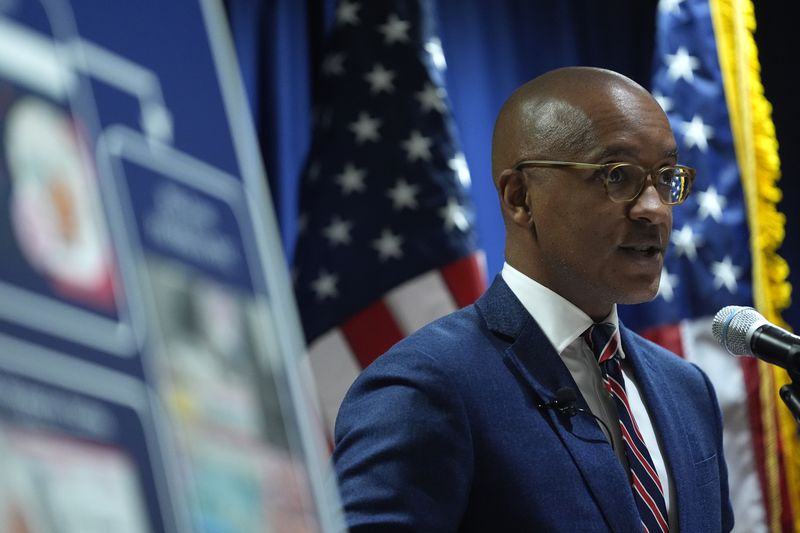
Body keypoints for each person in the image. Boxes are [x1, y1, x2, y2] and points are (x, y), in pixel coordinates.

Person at [333, 66, 734, 532]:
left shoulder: (686, 389)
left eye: (666, 177)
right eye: (618, 175)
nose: (654, 208)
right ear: (520, 197)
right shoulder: (426, 385)